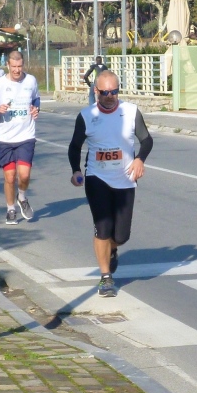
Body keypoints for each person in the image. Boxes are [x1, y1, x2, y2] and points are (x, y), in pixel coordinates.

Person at [68, 70, 153, 298]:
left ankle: (112, 249)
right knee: (103, 228)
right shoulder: (86, 116)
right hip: (97, 178)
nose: (109, 96)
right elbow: (74, 146)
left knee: (121, 236)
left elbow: (146, 140)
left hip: (125, 179)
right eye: (104, 92)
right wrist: (76, 170)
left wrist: (139, 159)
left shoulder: (131, 112)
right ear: (96, 91)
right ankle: (106, 278)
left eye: (114, 92)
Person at [0, 51, 40, 225]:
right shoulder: (0, 84)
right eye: (14, 67)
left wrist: (36, 109)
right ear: (8, 65)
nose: (17, 70)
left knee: (24, 175)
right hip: (5, 138)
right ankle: (10, 209)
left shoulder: (31, 80)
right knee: (9, 177)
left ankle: (21, 197)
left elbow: (36, 99)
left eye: (20, 66)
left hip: (26, 135)